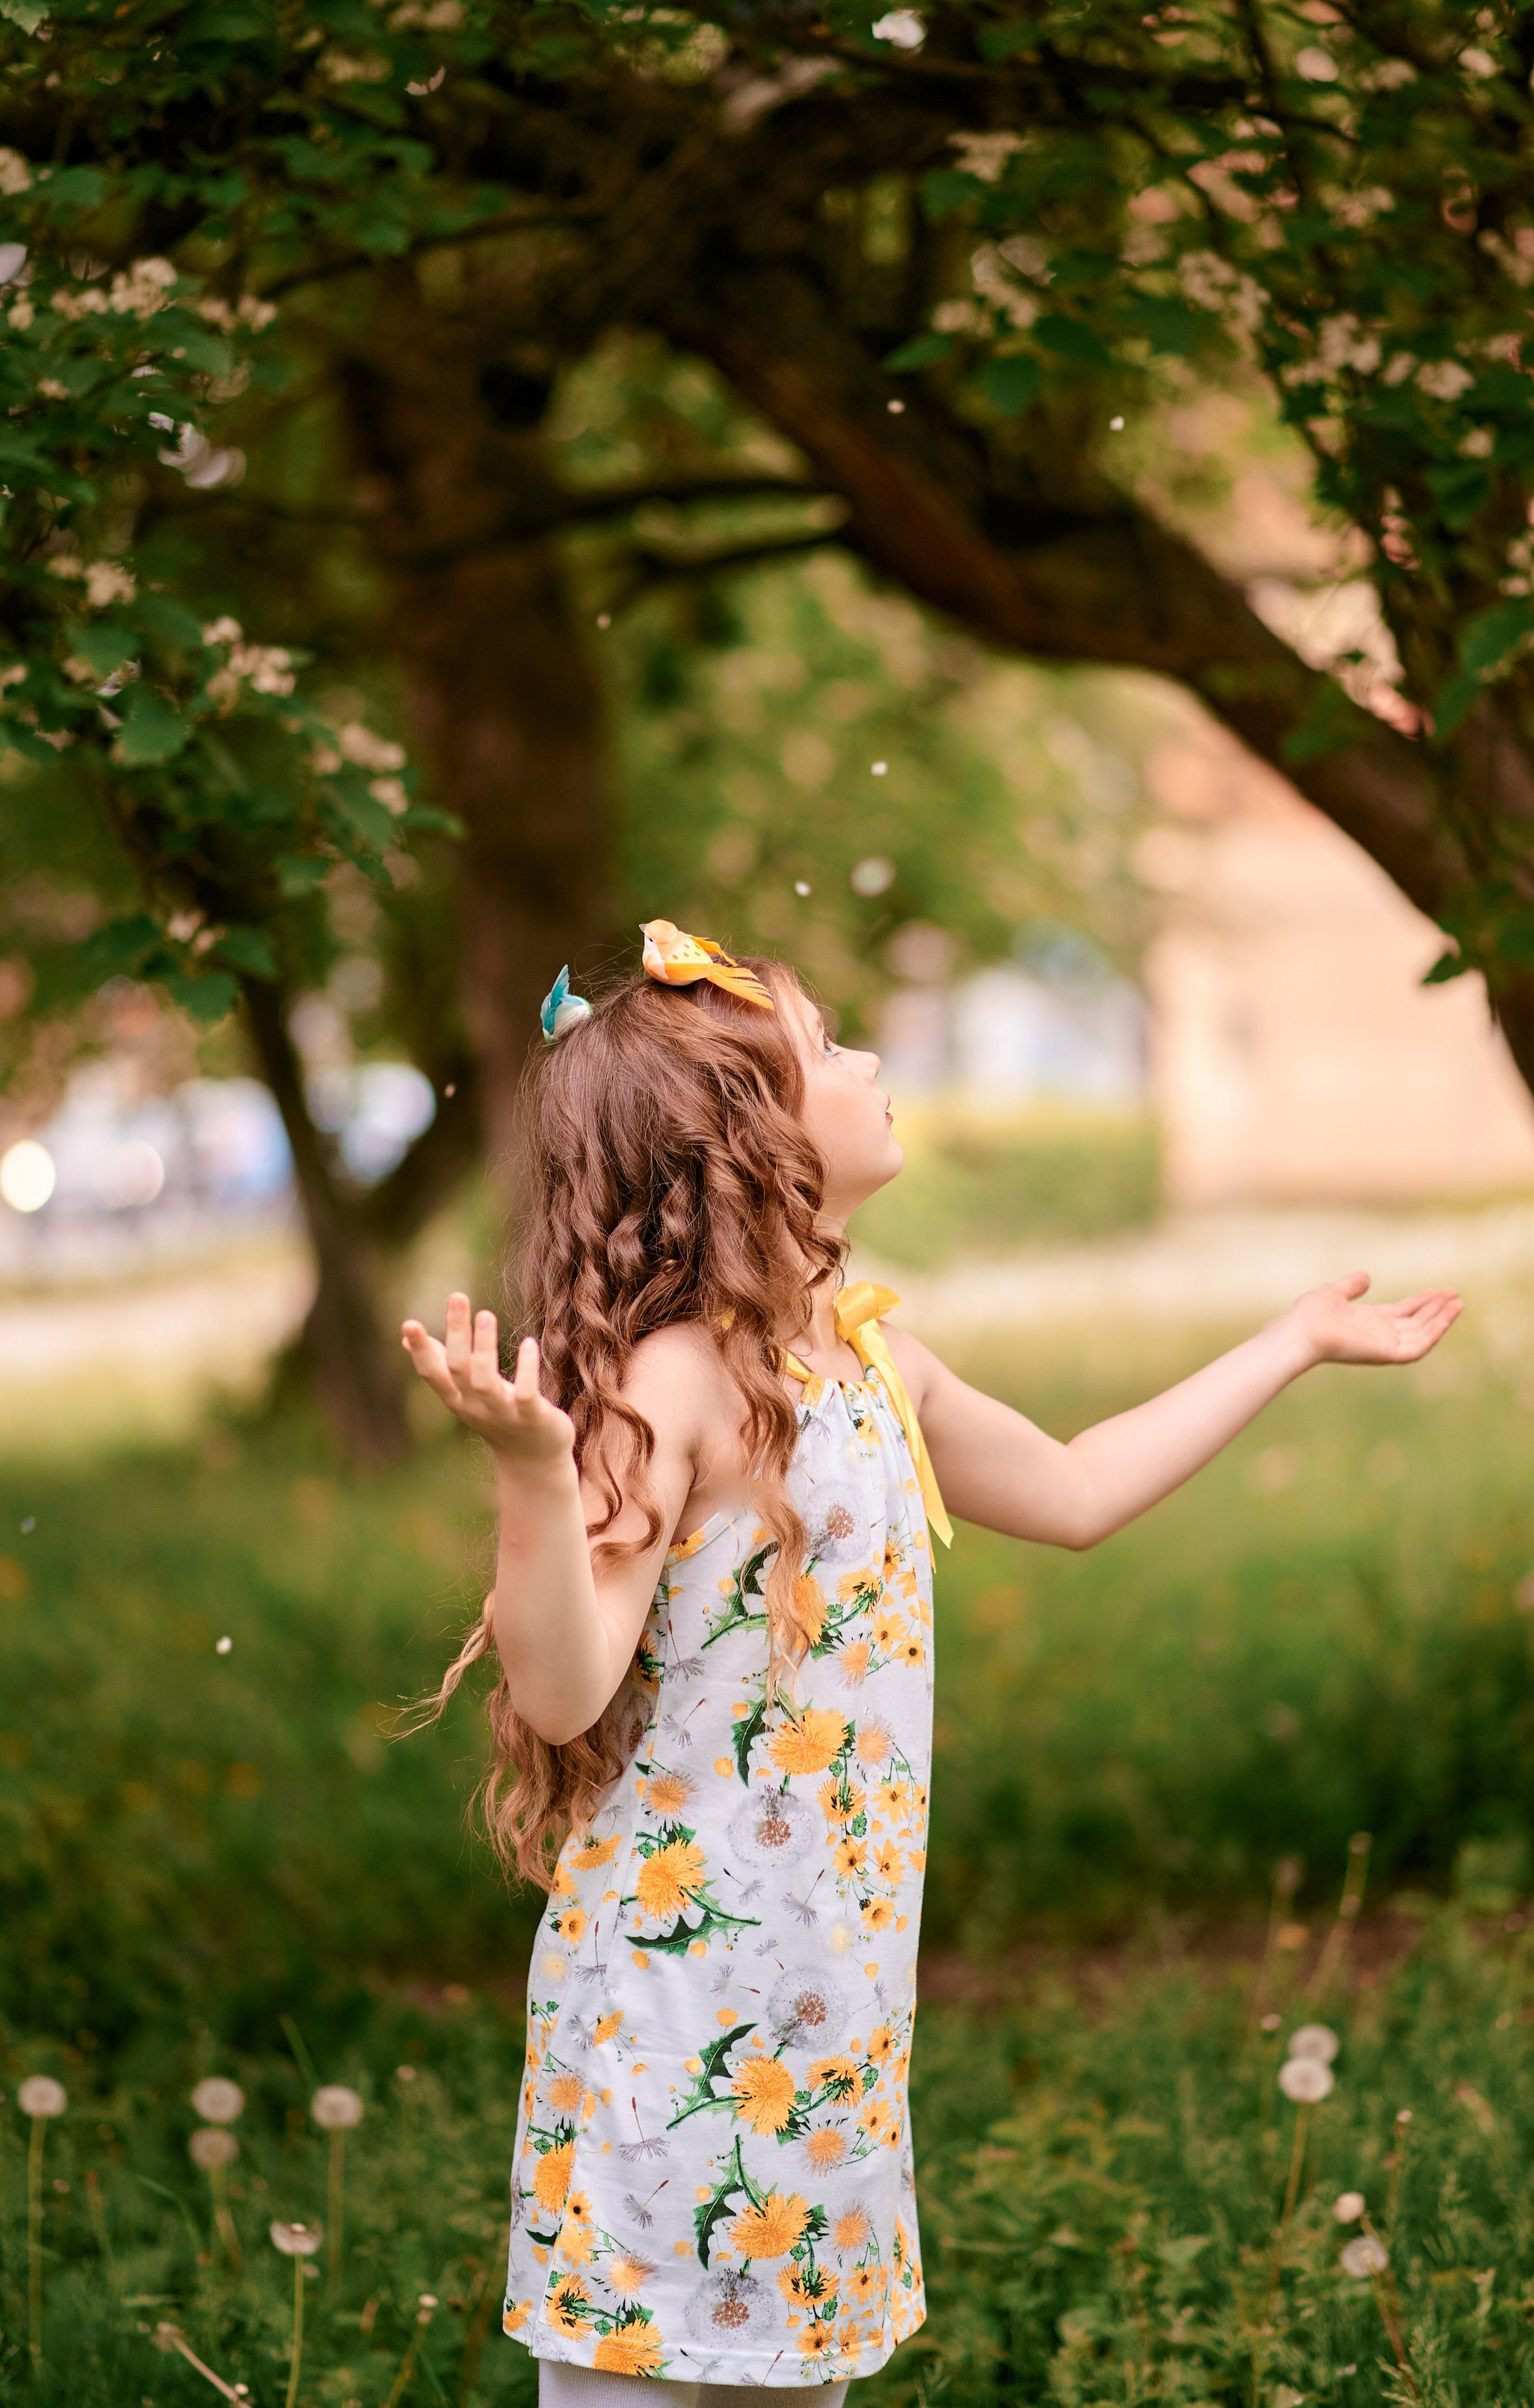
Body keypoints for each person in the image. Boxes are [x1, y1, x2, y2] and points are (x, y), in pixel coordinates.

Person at [401, 926, 1460, 2405]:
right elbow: (561, 1688)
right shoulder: (673, 1377)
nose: (871, 1060)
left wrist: (1289, 1340)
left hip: (829, 2033)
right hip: (670, 2032)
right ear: (747, 1133)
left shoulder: (865, 1356)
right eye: (829, 1046)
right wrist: (531, 1473)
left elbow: (1075, 1489)